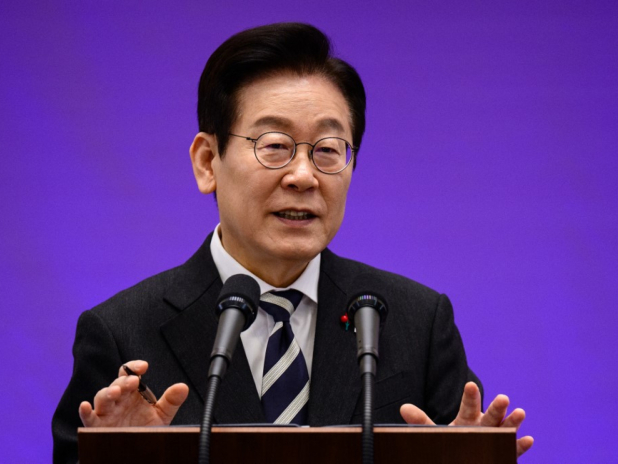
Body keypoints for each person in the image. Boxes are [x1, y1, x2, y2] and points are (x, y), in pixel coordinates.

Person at [52, 22, 533, 463]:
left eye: (328, 149)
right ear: (207, 162)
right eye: (275, 146)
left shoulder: (417, 321)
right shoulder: (121, 333)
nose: (303, 176)